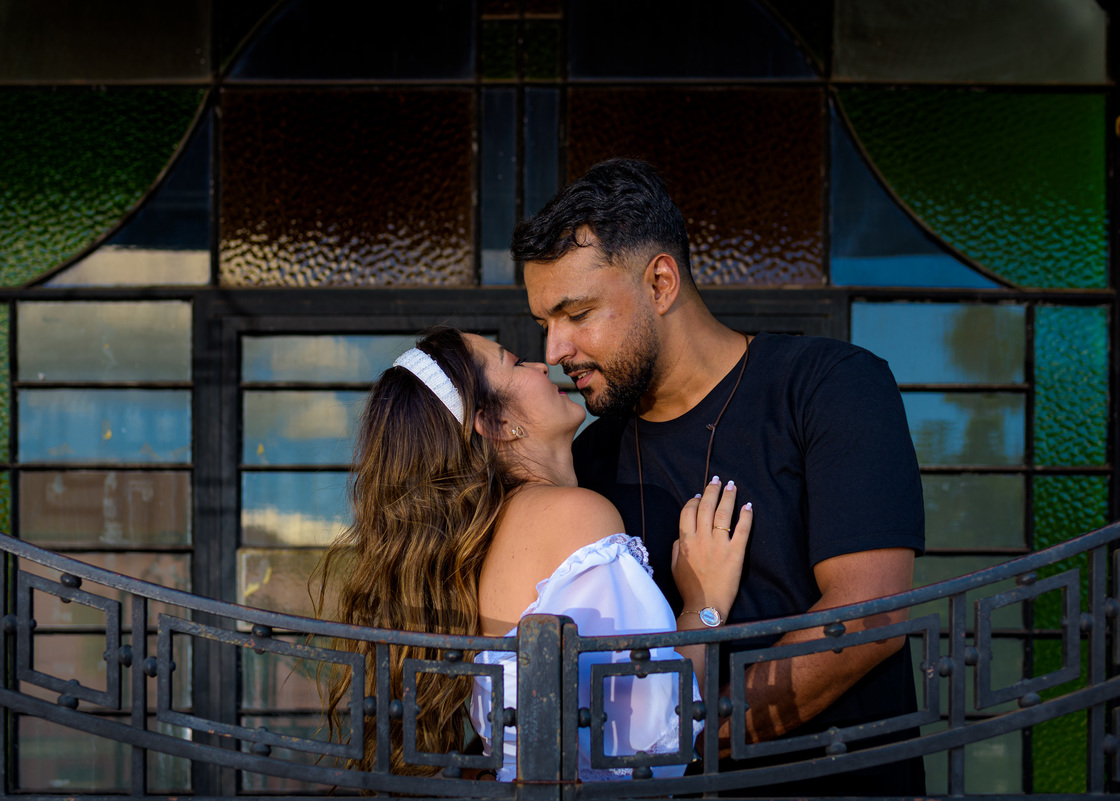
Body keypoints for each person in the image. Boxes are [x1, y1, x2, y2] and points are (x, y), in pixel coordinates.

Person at [512, 158, 926, 795]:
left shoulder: (830, 384)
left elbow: (869, 618)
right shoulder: (588, 465)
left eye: (577, 313)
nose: (554, 352)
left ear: (660, 284)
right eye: (545, 324)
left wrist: (686, 738)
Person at [313, 326, 751, 781]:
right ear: (497, 424)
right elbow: (646, 745)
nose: (543, 363)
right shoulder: (573, 516)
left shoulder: (488, 538)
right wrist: (704, 605)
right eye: (516, 363)